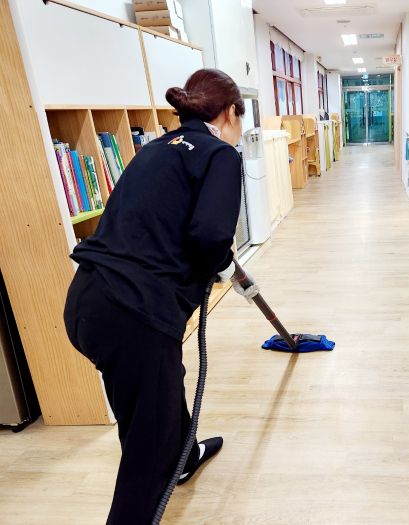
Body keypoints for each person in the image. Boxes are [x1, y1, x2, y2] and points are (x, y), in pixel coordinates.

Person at [63, 68, 254, 524]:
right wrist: (219, 264)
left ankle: (184, 457)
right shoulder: (220, 155)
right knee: (147, 452)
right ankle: (163, 467)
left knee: (157, 394)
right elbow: (210, 236)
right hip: (135, 315)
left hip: (87, 300)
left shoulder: (153, 148)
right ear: (230, 113)